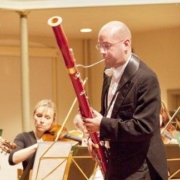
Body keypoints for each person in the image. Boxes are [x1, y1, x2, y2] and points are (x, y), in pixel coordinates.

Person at [82, 21, 168, 180]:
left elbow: (144, 127)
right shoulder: (108, 73)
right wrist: (94, 134)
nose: (102, 52)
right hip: (117, 164)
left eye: (107, 46)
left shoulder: (146, 78)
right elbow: (111, 113)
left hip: (138, 168)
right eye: (99, 46)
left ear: (126, 44)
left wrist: (102, 125)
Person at [8, 99, 57, 179]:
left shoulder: (58, 139)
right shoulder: (23, 137)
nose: (42, 121)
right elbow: (13, 159)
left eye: (47, 118)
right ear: (33, 115)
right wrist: (37, 146)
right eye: (39, 116)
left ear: (53, 120)